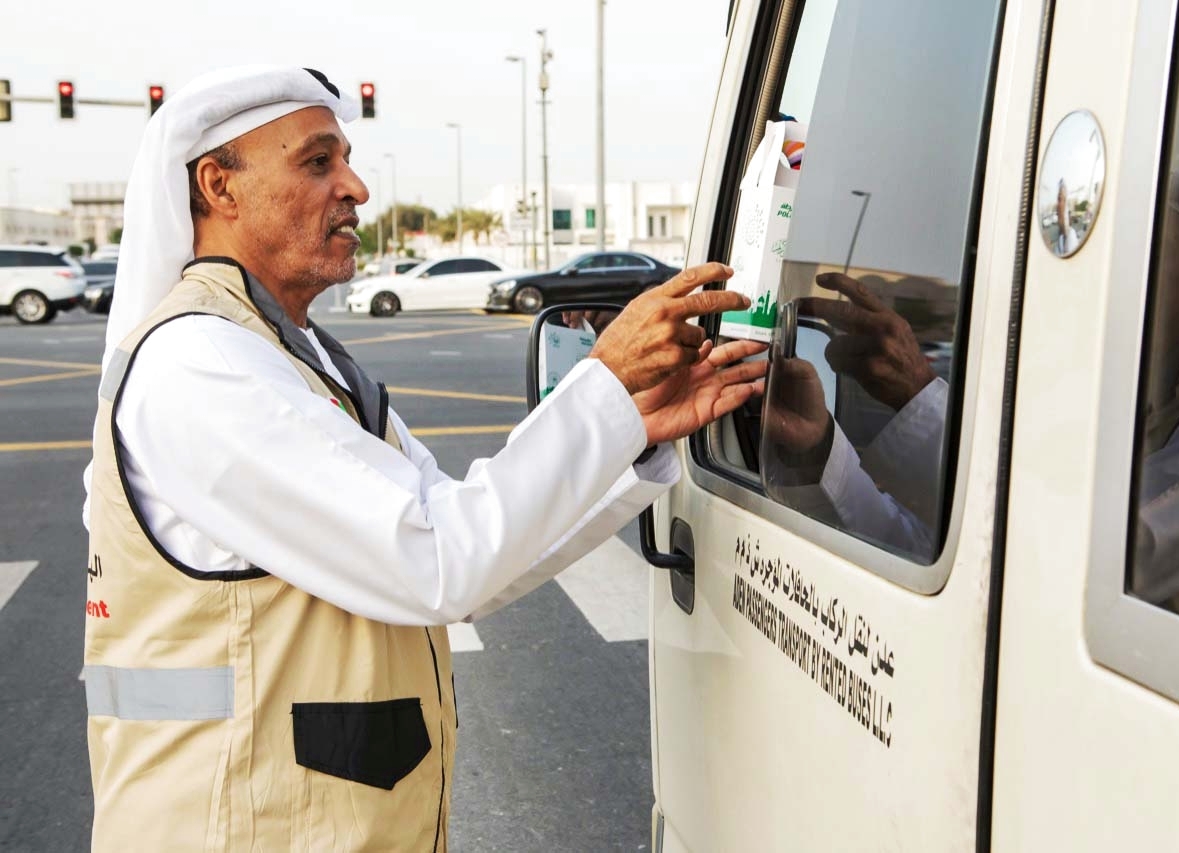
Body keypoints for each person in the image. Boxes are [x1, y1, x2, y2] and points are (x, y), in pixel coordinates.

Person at [82, 66, 766, 851]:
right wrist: (603, 384)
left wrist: (631, 430)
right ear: (219, 185)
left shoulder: (293, 354)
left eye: (346, 159)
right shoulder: (202, 362)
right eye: (317, 162)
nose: (357, 187)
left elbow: (470, 554)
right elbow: (440, 556)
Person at [763, 173, 1179, 646]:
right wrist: (820, 450)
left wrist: (919, 395)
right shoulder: (1072, 405)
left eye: (1148, 245)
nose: (1117, 265)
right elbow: (943, 548)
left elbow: (1086, 562)